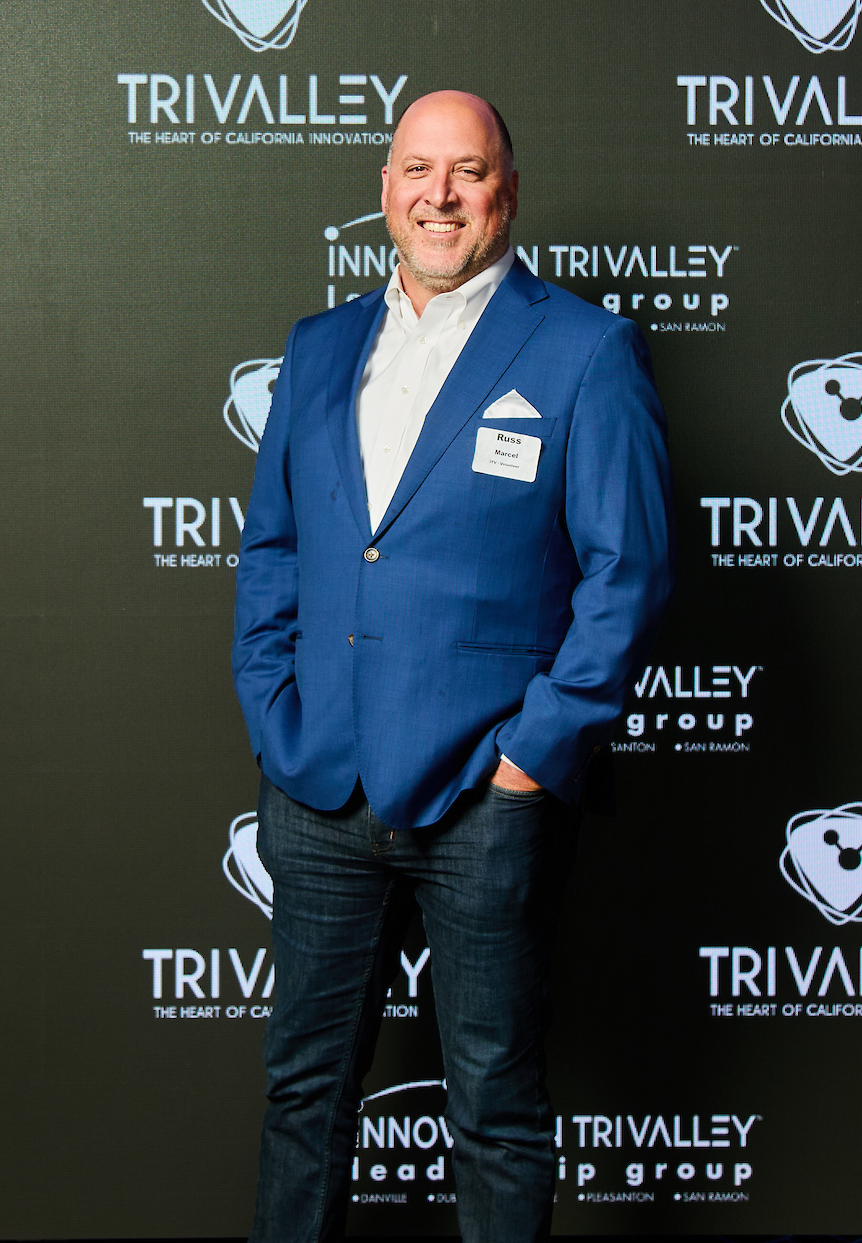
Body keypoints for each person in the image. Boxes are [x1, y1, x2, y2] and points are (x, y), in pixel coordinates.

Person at [232, 90, 675, 1243]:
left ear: (506, 194)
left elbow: (628, 572)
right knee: (302, 1098)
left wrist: (533, 755)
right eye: (418, 170)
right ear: (384, 190)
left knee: (496, 1109)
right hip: (321, 785)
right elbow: (274, 547)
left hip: (487, 794)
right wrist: (274, 709)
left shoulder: (585, 350)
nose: (440, 195)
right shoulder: (319, 346)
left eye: (467, 172)